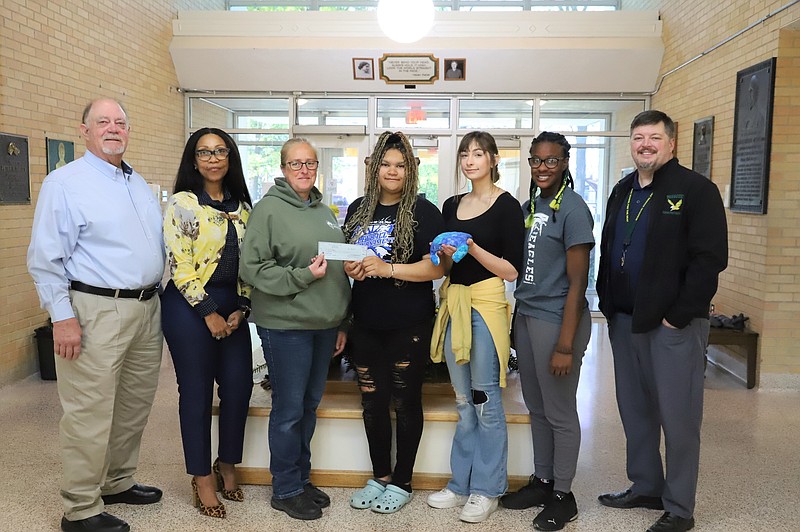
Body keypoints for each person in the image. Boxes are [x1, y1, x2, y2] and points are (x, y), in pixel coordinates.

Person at [27, 98, 164, 532]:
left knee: (133, 405)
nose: (113, 129)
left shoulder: (136, 182)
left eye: (120, 122)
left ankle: (117, 481)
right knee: (89, 410)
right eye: (102, 122)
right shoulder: (65, 182)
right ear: (82, 130)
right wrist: (61, 317)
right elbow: (45, 257)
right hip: (94, 310)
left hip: (146, 308)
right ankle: (80, 508)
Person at [596, 110, 728, 532]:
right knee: (635, 411)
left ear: (671, 144)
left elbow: (709, 261)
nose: (645, 144)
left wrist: (678, 315)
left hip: (673, 326)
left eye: (654, 137)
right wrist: (607, 302)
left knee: (679, 416)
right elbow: (610, 245)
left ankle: (679, 507)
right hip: (625, 321)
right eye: (638, 138)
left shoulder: (696, 190)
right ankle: (646, 485)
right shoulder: (622, 190)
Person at [239, 137, 351, 521]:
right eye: (295, 163)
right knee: (288, 410)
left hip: (323, 326)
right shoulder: (268, 210)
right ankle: (285, 488)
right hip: (286, 326)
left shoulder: (324, 211)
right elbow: (252, 269)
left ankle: (301, 480)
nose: (304, 170)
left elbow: (335, 269)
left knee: (308, 407)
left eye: (310, 163)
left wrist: (341, 321)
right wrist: (302, 277)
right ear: (283, 169)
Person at [342, 132, 445, 514]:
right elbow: (349, 260)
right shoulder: (358, 208)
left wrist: (388, 268)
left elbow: (439, 266)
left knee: (405, 402)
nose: (392, 171)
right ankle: (381, 475)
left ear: (411, 169)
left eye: (400, 164)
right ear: (373, 168)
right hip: (366, 323)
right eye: (385, 163)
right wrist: (351, 267)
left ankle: (403, 480)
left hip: (409, 324)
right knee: (372, 402)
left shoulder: (424, 211)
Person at [426, 131, 524, 523]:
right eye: (465, 154)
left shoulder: (507, 206)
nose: (470, 160)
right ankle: (460, 483)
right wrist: (444, 254)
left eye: (478, 154)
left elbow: (512, 270)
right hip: (454, 303)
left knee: (486, 401)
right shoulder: (451, 203)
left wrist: (472, 245)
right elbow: (447, 268)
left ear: (494, 159)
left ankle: (488, 489)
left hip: (485, 305)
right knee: (463, 402)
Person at [499, 132, 594, 531]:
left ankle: (563, 494)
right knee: (536, 408)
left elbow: (578, 283)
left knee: (559, 411)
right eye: (536, 161)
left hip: (558, 320)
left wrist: (566, 345)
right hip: (527, 315)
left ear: (565, 162)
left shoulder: (573, 210)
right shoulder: (531, 206)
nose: (542, 168)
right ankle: (542, 481)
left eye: (551, 161)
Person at [161, 128, 254, 519]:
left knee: (238, 386)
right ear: (193, 159)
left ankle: (227, 463)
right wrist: (209, 311)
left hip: (233, 305)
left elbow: (251, 261)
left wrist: (243, 307)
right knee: (197, 393)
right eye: (204, 152)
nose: (213, 158)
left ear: (230, 157)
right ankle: (201, 477)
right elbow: (179, 265)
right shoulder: (183, 203)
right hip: (188, 305)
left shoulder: (244, 206)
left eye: (221, 151)